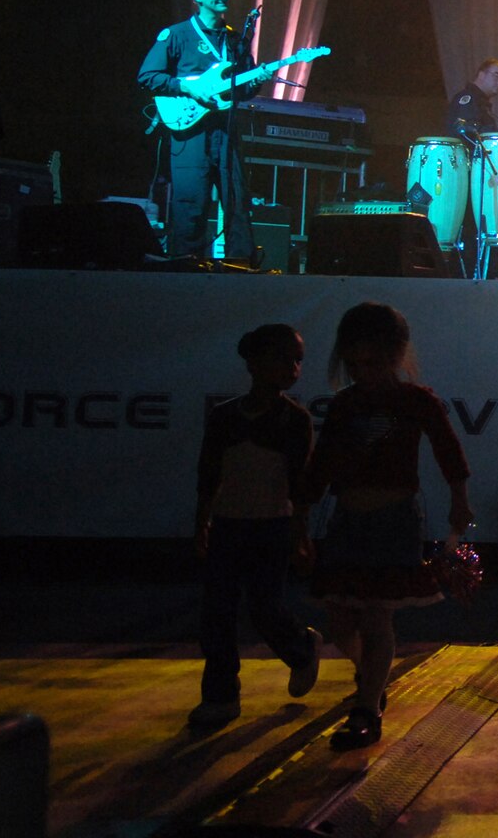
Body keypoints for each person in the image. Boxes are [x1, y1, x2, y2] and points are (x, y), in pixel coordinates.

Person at [304, 303, 473, 750]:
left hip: (394, 519)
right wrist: (301, 514)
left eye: (372, 363)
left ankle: (366, 705)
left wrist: (460, 499)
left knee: (377, 614)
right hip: (345, 518)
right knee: (340, 617)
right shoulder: (345, 404)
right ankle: (370, 682)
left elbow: (448, 451)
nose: (363, 373)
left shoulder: (416, 401)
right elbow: (322, 463)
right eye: (354, 365)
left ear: (397, 354)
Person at [188, 323, 322, 730]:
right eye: (284, 358)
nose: (293, 367)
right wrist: (203, 524)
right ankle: (220, 696)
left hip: (272, 526)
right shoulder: (225, 416)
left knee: (265, 607)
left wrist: (301, 537)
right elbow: (208, 473)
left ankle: (301, 648)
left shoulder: (295, 420)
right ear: (253, 363)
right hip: (229, 524)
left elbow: (300, 485)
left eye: (297, 360)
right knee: (217, 612)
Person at [137, 0, 258, 262]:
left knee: (237, 202)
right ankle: (186, 268)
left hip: (225, 131)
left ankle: (240, 268)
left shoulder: (234, 40)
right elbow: (148, 76)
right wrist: (186, 87)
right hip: (191, 134)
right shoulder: (177, 35)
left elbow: (245, 90)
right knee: (191, 204)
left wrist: (257, 79)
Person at [449, 58, 498, 139]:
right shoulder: (468, 98)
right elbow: (469, 129)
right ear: (481, 75)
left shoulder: (481, 101)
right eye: (496, 75)